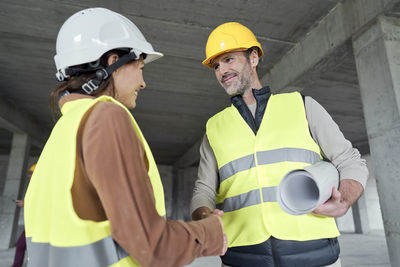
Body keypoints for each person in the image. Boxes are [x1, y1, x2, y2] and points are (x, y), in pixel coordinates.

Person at [24, 8, 226, 267]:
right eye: (140, 67)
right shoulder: (106, 117)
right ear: (113, 61)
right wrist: (211, 232)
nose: (143, 83)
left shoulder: (62, 133)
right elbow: (152, 246)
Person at [190, 22, 368, 267]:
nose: (222, 70)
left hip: (314, 253)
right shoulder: (214, 128)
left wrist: (345, 199)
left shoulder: (302, 106)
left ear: (253, 58)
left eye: (229, 59)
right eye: (216, 65)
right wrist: (203, 216)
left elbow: (350, 161)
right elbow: (204, 189)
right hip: (243, 257)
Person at [11, 164, 35, 267]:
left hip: (38, 224)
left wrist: (25, 204)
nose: (28, 176)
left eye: (31, 173)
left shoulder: (41, 187)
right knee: (21, 245)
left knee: (23, 246)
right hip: (32, 223)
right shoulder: (34, 187)